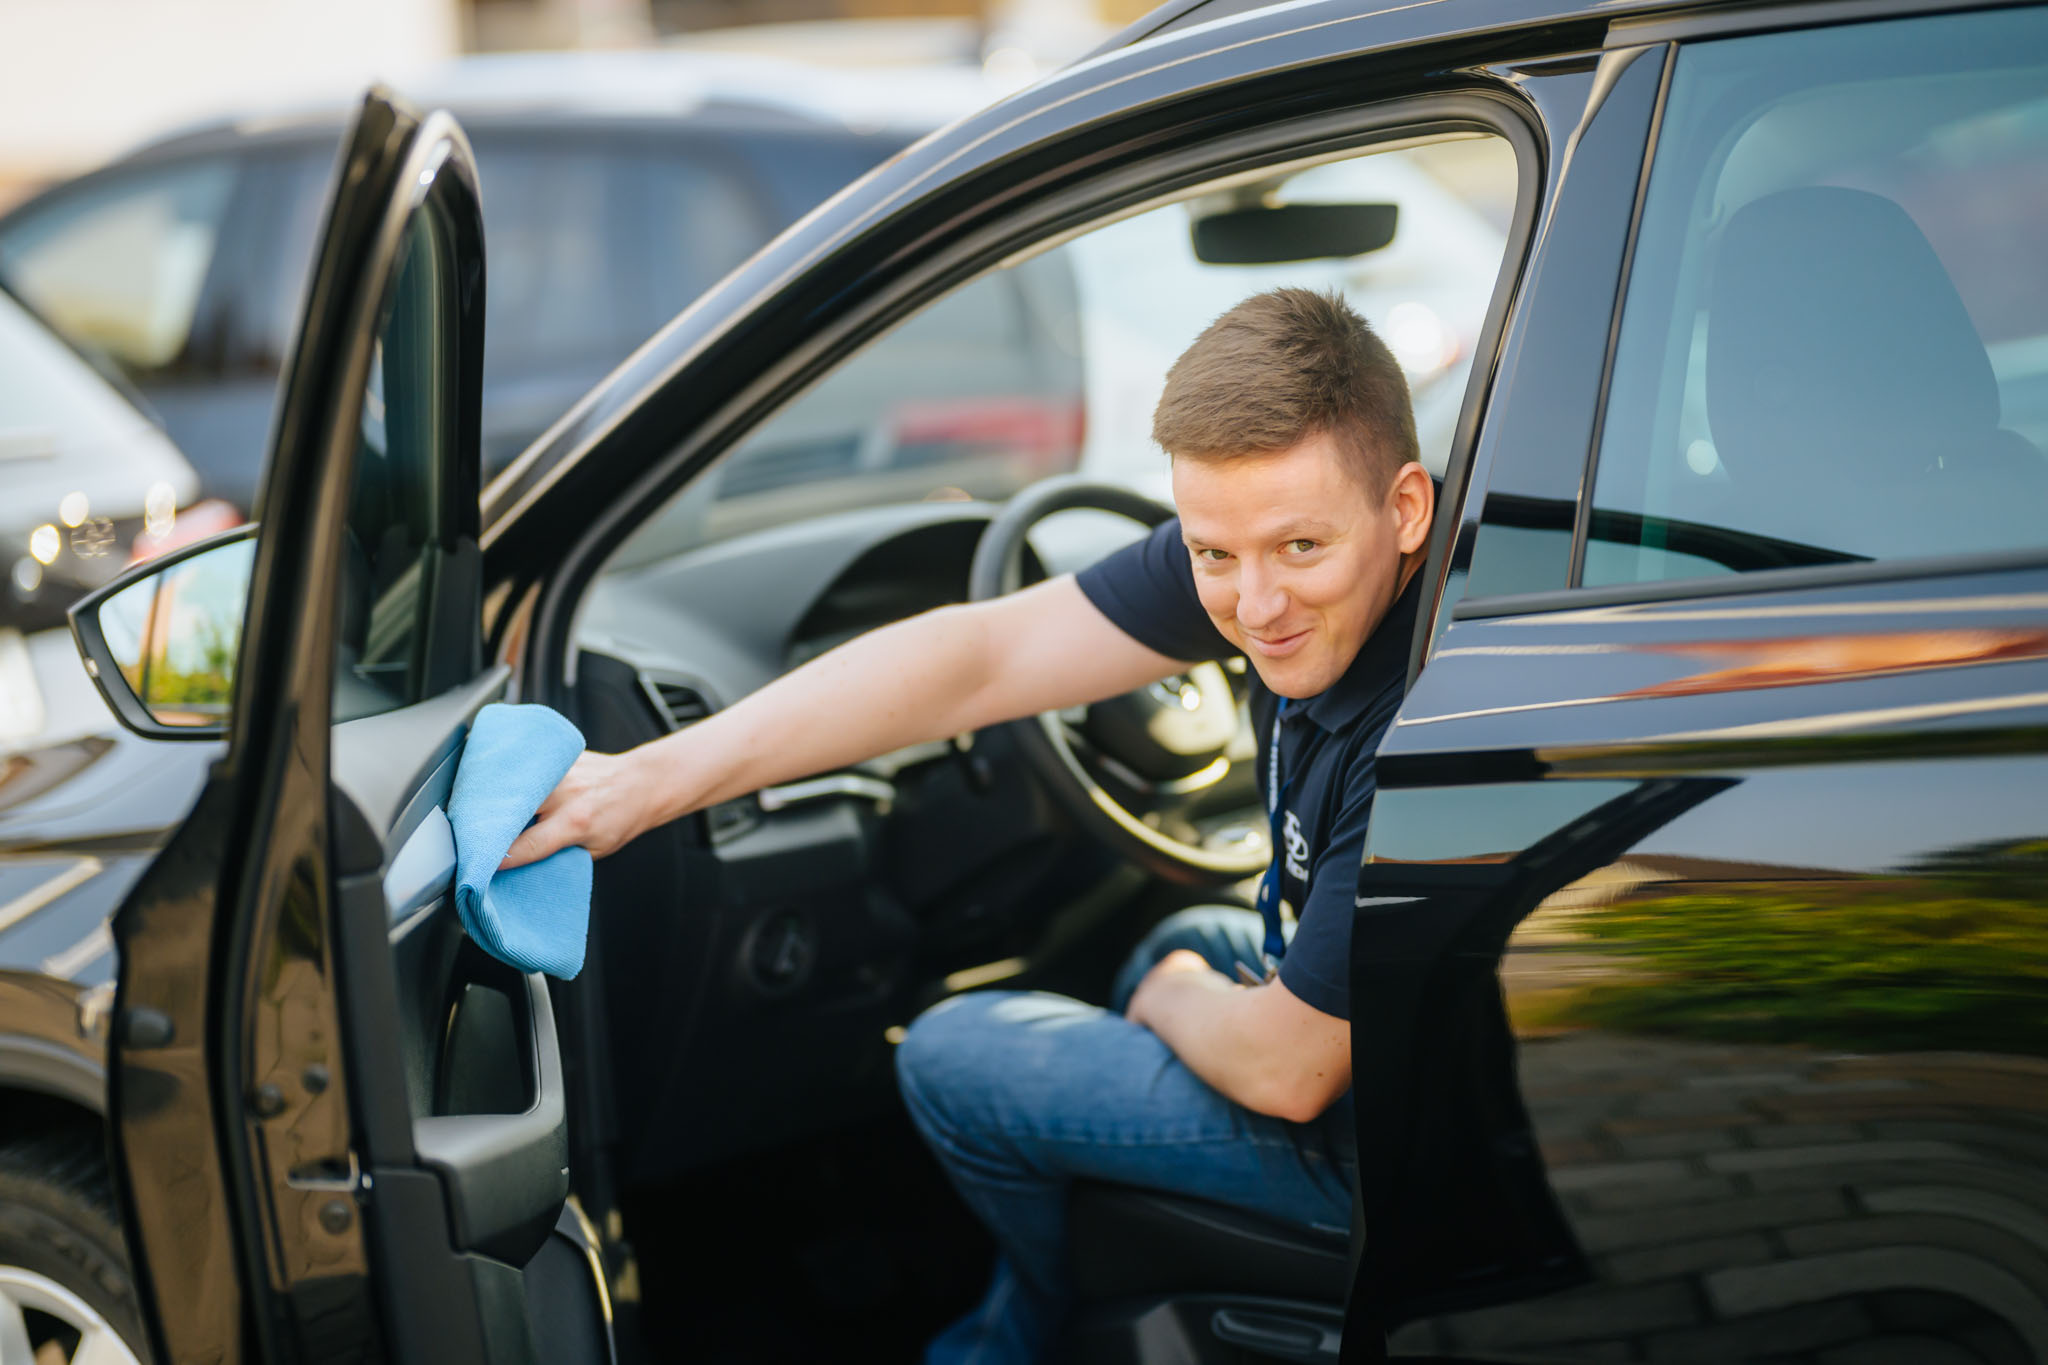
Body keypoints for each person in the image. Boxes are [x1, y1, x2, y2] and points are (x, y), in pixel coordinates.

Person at [503, 286, 1435, 1364]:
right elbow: (982, 657)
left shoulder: (1425, 724)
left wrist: (1174, 1001)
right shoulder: (1282, 555)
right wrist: (644, 782)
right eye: (1211, 554)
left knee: (953, 1055)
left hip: (1398, 1159)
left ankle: (1012, 1340)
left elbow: (1289, 1072)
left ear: (1406, 507)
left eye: (1299, 549)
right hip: (1403, 1053)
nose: (1255, 608)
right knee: (1174, 940)